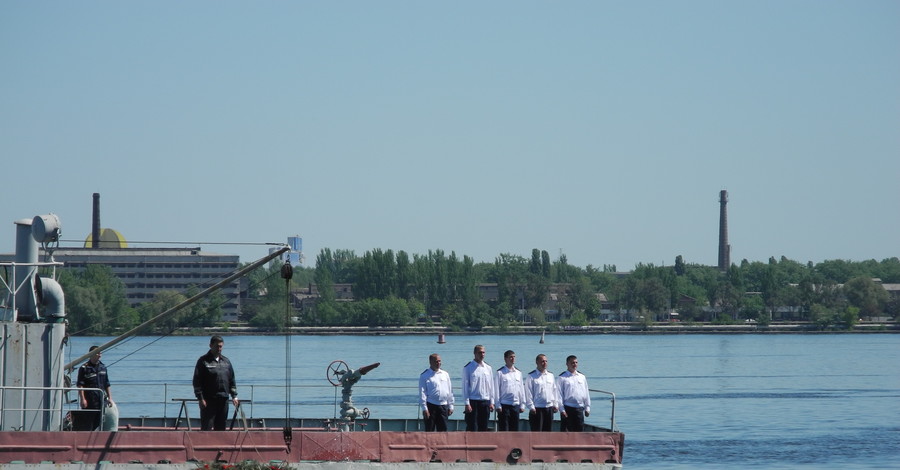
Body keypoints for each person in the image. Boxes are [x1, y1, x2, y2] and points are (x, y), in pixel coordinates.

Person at [192, 335, 239, 431]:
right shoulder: (203, 361)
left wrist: (234, 396)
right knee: (207, 427)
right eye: (217, 346)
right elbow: (197, 381)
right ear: (210, 345)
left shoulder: (226, 361)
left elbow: (232, 380)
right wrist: (200, 398)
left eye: (221, 346)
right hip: (208, 400)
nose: (219, 349)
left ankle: (220, 446)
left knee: (221, 428)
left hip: (224, 399)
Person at [77, 345, 114, 430]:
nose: (99, 355)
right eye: (97, 353)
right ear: (91, 354)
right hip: (89, 399)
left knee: (99, 421)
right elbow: (80, 384)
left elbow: (107, 384)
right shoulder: (84, 368)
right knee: (88, 422)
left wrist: (110, 398)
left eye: (100, 353)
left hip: (100, 399)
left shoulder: (103, 367)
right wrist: (83, 399)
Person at [462, 344, 495, 431]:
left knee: (483, 428)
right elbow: (465, 387)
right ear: (475, 353)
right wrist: (467, 403)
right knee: (472, 427)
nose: (482, 355)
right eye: (480, 352)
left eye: (483, 352)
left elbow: (491, 386)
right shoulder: (468, 368)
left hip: (485, 401)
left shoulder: (488, 368)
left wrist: (492, 402)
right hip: (473, 402)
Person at [524, 353, 559, 432]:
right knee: (537, 433)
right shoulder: (531, 376)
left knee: (548, 433)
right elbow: (528, 392)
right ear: (537, 362)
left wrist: (556, 404)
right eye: (542, 361)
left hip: (549, 408)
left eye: (546, 361)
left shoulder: (550, 375)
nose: (545, 363)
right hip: (537, 409)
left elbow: (554, 391)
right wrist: (531, 406)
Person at [419, 353, 454, 431]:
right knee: (429, 430)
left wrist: (451, 405)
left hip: (443, 406)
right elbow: (422, 393)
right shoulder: (425, 375)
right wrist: (425, 408)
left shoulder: (445, 374)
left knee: (443, 431)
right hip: (431, 406)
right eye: (436, 361)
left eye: (439, 361)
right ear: (430, 362)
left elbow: (450, 390)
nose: (438, 363)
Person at [494, 349, 526, 431]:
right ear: (505, 359)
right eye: (510, 357)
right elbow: (496, 390)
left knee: (515, 430)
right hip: (504, 406)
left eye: (514, 357)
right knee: (504, 430)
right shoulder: (500, 373)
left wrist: (522, 404)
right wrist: (498, 405)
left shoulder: (518, 373)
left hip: (515, 406)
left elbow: (521, 389)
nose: (513, 359)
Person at [557, 355, 591, 432]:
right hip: (567, 408)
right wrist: (562, 410)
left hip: (579, 408)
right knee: (566, 433)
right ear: (567, 364)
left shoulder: (582, 377)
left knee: (579, 432)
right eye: (572, 363)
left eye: (576, 362)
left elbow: (586, 392)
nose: (575, 364)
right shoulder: (562, 377)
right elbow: (559, 394)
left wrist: (587, 407)